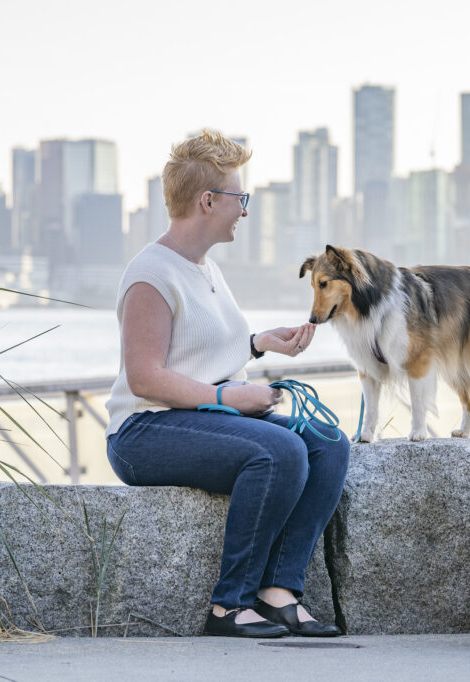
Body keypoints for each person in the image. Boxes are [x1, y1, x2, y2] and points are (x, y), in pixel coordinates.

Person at [104, 130, 350, 638]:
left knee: (328, 444)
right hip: (143, 432)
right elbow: (145, 376)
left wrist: (259, 343)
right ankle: (228, 607)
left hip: (198, 417)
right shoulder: (151, 274)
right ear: (207, 201)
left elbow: (198, 349)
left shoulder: (205, 267)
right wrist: (227, 398)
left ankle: (278, 595)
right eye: (240, 198)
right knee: (279, 452)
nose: (244, 209)